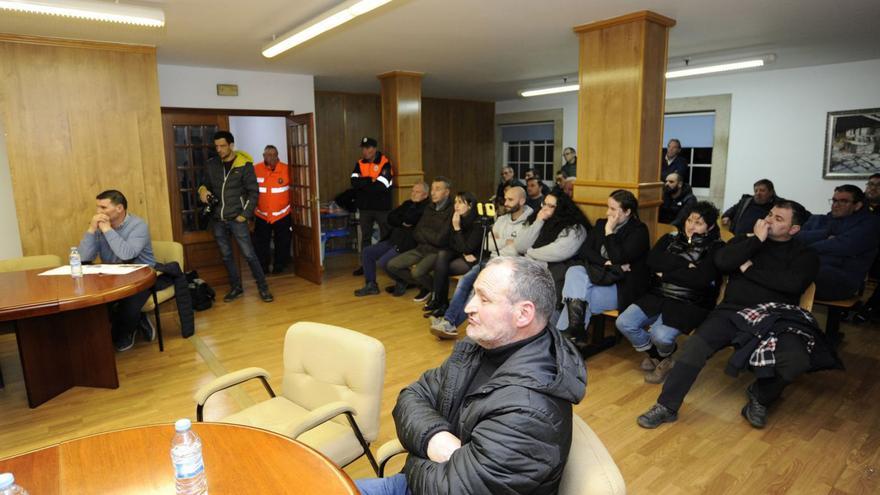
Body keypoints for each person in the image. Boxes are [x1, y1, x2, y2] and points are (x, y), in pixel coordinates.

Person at [355, 257, 587, 495]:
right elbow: (413, 396)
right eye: (474, 294)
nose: (468, 308)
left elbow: (450, 490)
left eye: (484, 299)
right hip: (422, 481)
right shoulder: (481, 345)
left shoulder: (530, 411)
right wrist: (434, 439)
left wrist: (418, 447)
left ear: (523, 314)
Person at [637, 201, 841, 430]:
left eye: (779, 219)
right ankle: (666, 406)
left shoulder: (805, 254)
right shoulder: (746, 240)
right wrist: (755, 241)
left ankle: (760, 397)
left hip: (777, 317)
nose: (769, 220)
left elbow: (792, 285)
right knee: (694, 348)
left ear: (793, 229)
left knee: (797, 360)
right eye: (770, 215)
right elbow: (723, 262)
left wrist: (749, 269)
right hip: (731, 311)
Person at [616, 201, 724, 383]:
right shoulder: (670, 238)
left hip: (691, 301)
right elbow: (652, 261)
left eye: (698, 223)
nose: (691, 226)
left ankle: (660, 356)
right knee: (624, 322)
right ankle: (662, 359)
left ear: (710, 226)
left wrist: (665, 273)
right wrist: (684, 265)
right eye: (689, 220)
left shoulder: (716, 247)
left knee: (660, 335)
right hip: (658, 294)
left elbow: (699, 279)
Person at [429, 187, 533, 338]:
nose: (506, 203)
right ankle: (448, 321)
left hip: (510, 266)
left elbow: (516, 249)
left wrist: (500, 241)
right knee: (464, 282)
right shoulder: (503, 219)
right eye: (505, 199)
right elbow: (487, 244)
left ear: (522, 201)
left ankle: (449, 323)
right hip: (491, 260)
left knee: (476, 289)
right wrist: (507, 241)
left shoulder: (528, 222)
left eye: (510, 200)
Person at [557, 190, 650, 348]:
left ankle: (564, 343)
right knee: (575, 273)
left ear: (627, 212)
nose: (608, 213)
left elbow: (619, 257)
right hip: (596, 277)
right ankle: (574, 335)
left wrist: (609, 232)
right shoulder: (601, 223)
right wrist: (607, 262)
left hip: (621, 287)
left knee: (578, 301)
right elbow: (585, 251)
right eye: (608, 207)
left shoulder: (639, 231)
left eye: (613, 209)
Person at [198, 131, 273, 303]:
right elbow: (204, 184)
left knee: (249, 254)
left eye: (222, 146)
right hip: (218, 219)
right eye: (216, 146)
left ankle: (263, 288)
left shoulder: (244, 165)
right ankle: (236, 287)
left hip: (237, 218)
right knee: (226, 255)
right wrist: (202, 191)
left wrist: (244, 215)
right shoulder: (212, 165)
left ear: (231, 145)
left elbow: (253, 193)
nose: (219, 149)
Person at [77, 190, 157, 351]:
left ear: (119, 208)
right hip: (111, 276)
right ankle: (134, 321)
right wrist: (92, 229)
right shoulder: (99, 227)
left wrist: (107, 230)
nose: (98, 212)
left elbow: (127, 255)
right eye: (98, 207)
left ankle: (127, 331)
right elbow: (84, 257)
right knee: (94, 304)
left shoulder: (138, 226)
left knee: (128, 306)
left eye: (103, 208)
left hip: (141, 276)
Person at [797, 184, 880, 300]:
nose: (836, 205)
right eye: (834, 200)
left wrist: (806, 249)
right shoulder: (820, 219)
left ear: (857, 205)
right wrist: (825, 235)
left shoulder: (871, 223)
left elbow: (844, 245)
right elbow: (798, 238)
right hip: (813, 268)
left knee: (789, 272)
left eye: (843, 201)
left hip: (841, 280)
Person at [515, 191, 591, 304]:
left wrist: (530, 252)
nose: (544, 208)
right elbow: (520, 245)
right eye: (544, 204)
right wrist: (538, 221)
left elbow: (558, 252)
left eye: (551, 206)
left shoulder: (575, 227)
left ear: (561, 208)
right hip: (532, 266)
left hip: (557, 270)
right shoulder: (536, 218)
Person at [354, 182, 429, 296]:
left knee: (385, 262)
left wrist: (401, 219)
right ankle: (371, 285)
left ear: (425, 195)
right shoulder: (408, 203)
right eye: (412, 191)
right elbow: (391, 217)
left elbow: (410, 219)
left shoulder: (426, 207)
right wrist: (402, 221)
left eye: (417, 192)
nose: (413, 194)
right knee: (367, 252)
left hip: (407, 243)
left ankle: (405, 281)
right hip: (393, 239)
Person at [386, 177, 454, 301]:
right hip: (421, 248)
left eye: (437, 189)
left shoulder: (452, 210)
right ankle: (427, 286)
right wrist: (429, 234)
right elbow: (417, 232)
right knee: (392, 265)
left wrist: (426, 233)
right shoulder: (429, 207)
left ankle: (436, 291)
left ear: (447, 192)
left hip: (438, 251)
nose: (433, 192)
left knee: (417, 272)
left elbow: (440, 239)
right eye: (432, 189)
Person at [423, 192, 482, 315]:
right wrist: (463, 252)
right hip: (460, 253)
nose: (456, 205)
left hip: (474, 258)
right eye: (455, 202)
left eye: (460, 202)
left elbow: (468, 248)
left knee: (441, 268)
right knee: (442, 255)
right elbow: (450, 242)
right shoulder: (456, 216)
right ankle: (440, 302)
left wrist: (457, 228)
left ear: (470, 205)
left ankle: (440, 302)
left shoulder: (478, 223)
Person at [253, 145, 291, 275]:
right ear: (263, 156)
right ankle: (263, 267)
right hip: (262, 215)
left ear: (277, 155)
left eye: (272, 155)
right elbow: (250, 190)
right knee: (261, 244)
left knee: (282, 242)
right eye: (266, 155)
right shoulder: (256, 169)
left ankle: (279, 266)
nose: (269, 157)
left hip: (282, 215)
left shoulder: (286, 169)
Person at [351, 137, 394, 251]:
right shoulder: (359, 163)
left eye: (367, 148)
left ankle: (386, 260)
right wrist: (371, 180)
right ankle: (365, 263)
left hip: (382, 207)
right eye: (363, 148)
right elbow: (354, 182)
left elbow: (382, 185)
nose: (365, 151)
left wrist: (363, 182)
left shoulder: (385, 162)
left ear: (375, 149)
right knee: (365, 237)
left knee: (386, 235)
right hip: (365, 207)